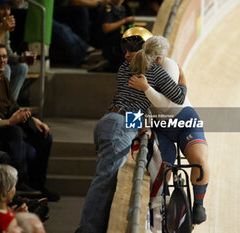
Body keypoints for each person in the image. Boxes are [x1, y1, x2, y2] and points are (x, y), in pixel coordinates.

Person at [75, 26, 187, 233]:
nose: (126, 55)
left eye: (131, 50)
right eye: (125, 50)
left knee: (106, 181)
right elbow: (178, 97)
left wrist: (138, 127)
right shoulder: (153, 70)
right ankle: (86, 229)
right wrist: (182, 78)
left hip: (109, 121)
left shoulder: (124, 68)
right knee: (103, 181)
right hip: (118, 125)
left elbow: (131, 103)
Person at [129, 36, 209, 224]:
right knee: (162, 170)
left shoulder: (169, 65)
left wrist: (146, 88)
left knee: (199, 161)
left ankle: (198, 204)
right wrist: (135, 128)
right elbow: (131, 104)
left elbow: (168, 104)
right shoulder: (133, 73)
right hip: (162, 128)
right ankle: (161, 207)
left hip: (184, 121)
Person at [0, 44, 59, 201]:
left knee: (43, 134)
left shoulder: (1, 79)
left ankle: (39, 186)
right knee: (16, 132)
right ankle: (20, 184)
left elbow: (11, 106)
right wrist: (11, 121)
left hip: (4, 123)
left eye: (3, 58)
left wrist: (31, 118)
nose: (0, 63)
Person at [0, 0, 35, 100]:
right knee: (4, 69)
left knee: (22, 67)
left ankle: (9, 107)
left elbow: (8, 54)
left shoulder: (3, 23)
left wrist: (21, 58)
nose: (7, 13)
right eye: (2, 8)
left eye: (8, 8)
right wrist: (2, 30)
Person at [90, 0, 135, 72]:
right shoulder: (108, 8)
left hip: (119, 36)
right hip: (110, 39)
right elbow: (106, 28)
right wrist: (124, 21)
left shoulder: (122, 8)